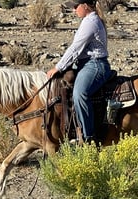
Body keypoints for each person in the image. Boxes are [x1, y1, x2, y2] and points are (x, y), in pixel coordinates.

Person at [47, 0, 112, 142]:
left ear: (85, 6)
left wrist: (58, 67)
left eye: (76, 7)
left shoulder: (91, 22)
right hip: (85, 64)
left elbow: (76, 48)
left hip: (94, 65)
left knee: (79, 94)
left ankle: (88, 138)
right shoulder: (87, 20)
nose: (74, 10)